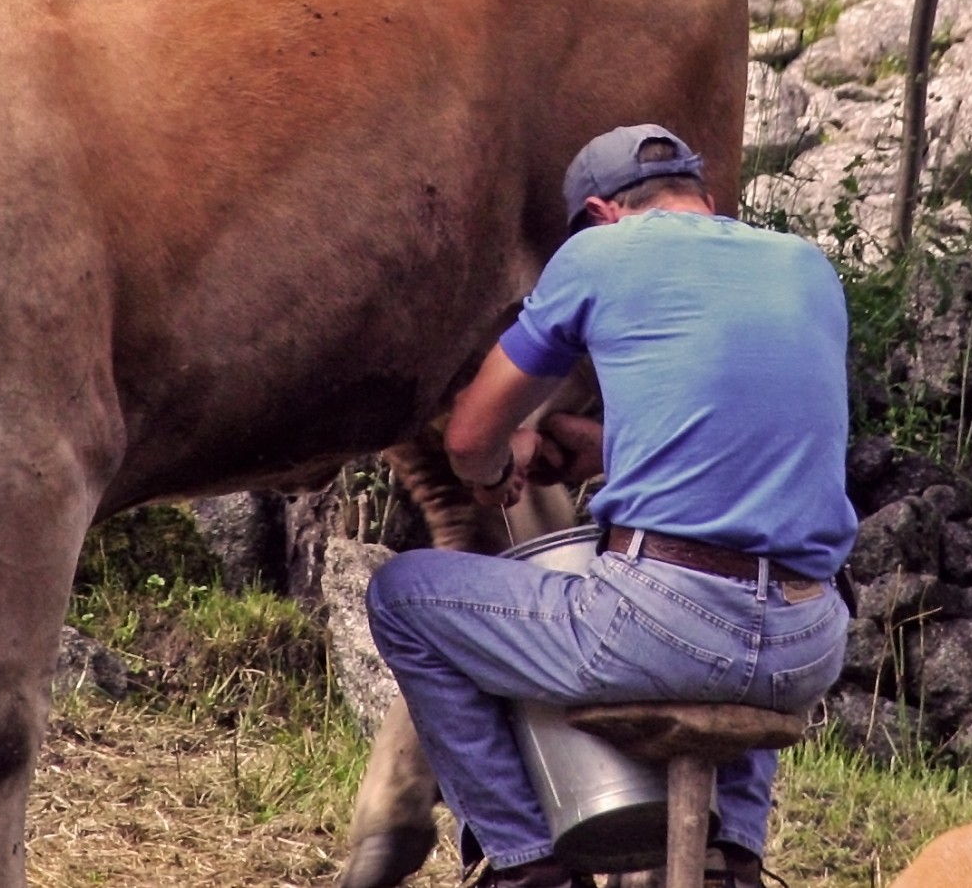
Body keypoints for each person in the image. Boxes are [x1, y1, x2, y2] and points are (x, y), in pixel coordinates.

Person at [366, 125, 857, 888]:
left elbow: (467, 439)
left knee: (401, 597)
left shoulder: (599, 253)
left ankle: (525, 861)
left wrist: (503, 462)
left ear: (599, 212)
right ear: (707, 200)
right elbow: (746, 437)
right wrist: (606, 445)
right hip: (810, 643)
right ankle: (733, 857)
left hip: (664, 624)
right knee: (752, 594)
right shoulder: (807, 267)